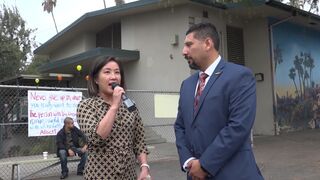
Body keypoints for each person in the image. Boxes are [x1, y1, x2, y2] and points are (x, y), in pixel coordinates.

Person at [174, 23, 264, 180]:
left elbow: (238, 126)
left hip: (234, 174)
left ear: (208, 43)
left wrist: (205, 165)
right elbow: (180, 126)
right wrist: (188, 161)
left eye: (189, 45)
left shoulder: (240, 76)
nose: (184, 51)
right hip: (195, 175)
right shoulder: (187, 85)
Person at [77, 56, 151, 180]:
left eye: (117, 72)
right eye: (107, 72)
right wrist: (114, 105)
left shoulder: (130, 104)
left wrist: (144, 166)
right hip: (99, 176)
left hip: (129, 175)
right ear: (96, 79)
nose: (113, 76)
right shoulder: (86, 106)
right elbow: (96, 137)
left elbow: (139, 141)